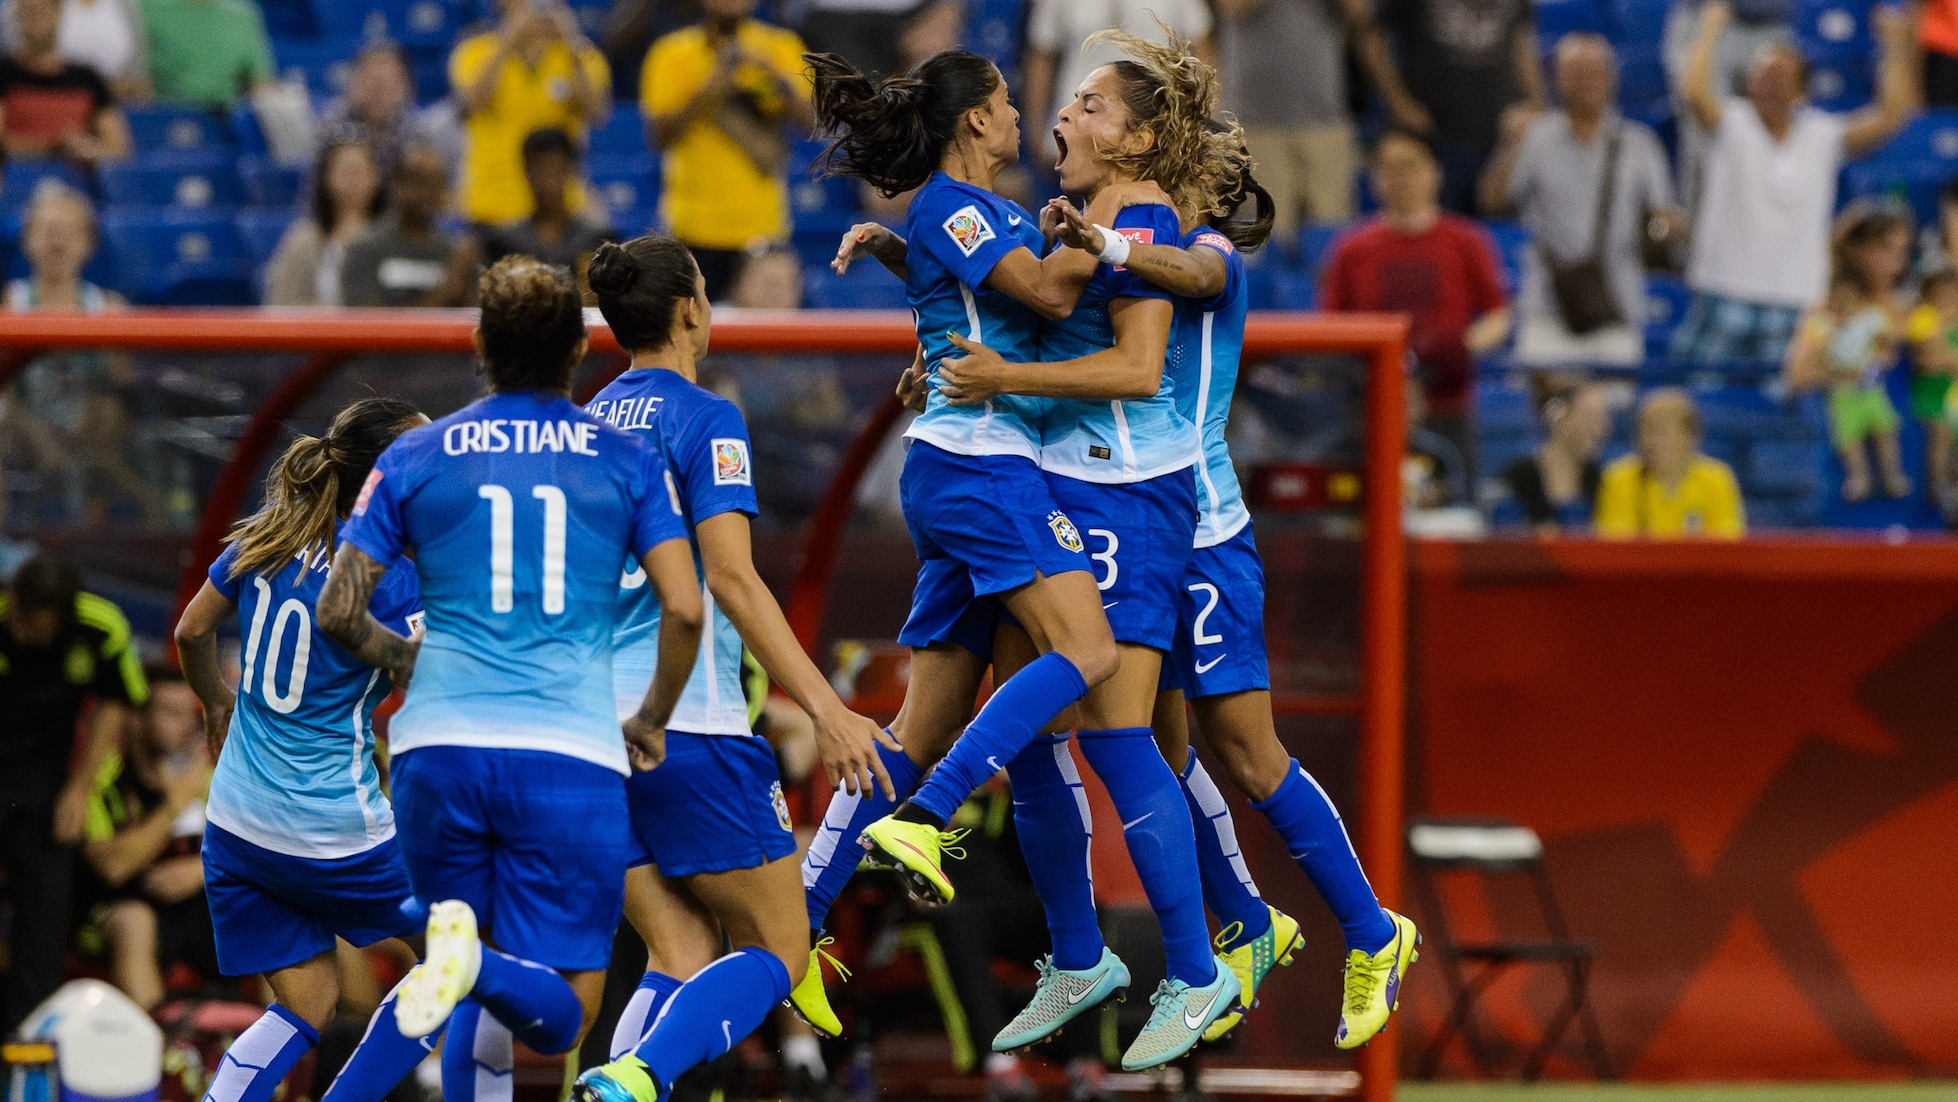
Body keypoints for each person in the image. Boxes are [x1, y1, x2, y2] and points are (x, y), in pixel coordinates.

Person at [839, 33, 1251, 1068]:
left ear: (1136, 138)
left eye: (1086, 107)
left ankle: (1205, 958)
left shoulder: (1139, 220)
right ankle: (1079, 952)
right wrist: (926, 296)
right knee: (1049, 737)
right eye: (1054, 102)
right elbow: (1008, 290)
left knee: (1127, 736)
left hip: (1131, 496)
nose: (1056, 117)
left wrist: (997, 378)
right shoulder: (1073, 217)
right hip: (1051, 484)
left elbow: (1129, 361)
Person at [1044, 124, 1420, 1052]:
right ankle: (1249, 923)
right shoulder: (1137, 242)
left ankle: (1375, 933)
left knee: (1248, 754)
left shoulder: (1199, 250)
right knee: (1152, 748)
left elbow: (1204, 280)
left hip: (1204, 530)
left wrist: (1112, 246)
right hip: (1145, 525)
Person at [797, 46, 1125, 1047]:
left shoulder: (957, 215)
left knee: (915, 729)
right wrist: (1119, 223)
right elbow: (1046, 292)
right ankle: (930, 817)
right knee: (1089, 653)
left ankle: (793, 921)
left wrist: (901, 257)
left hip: (963, 469)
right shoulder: (954, 201)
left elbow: (968, 282)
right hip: (983, 468)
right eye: (1005, 102)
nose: (1021, 114)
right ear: (975, 120)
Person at [317, 257, 703, 1102]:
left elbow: (340, 612)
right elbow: (684, 609)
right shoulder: (627, 458)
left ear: (478, 345)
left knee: (459, 985)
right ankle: (472, 956)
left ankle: (459, 955)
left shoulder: (415, 454)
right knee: (563, 1015)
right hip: (567, 754)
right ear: (577, 346)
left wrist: (415, 661)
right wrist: (650, 717)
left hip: (437, 751)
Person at [567, 234, 899, 1102]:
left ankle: (616, 1087)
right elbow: (732, 579)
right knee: (783, 951)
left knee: (678, 952)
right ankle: (638, 1075)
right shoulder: (705, 416)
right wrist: (826, 707)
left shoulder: (582, 426)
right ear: (690, 310)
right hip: (689, 725)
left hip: (587, 733)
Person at [172, 397, 433, 1102]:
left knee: (305, 1001)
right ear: (383, 477)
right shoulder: (389, 578)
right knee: (459, 961)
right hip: (329, 829)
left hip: (235, 823)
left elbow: (193, 633)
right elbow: (433, 677)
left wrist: (216, 703)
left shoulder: (268, 537)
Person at [1669, 0, 1916, 365]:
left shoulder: (1822, 135)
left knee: (1784, 409)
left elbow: (1891, 117)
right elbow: (1693, 93)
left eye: (1780, 76)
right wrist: (1710, 26)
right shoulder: (1732, 124)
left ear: (1801, 89)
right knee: (1702, 395)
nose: (1768, 83)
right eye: (1762, 75)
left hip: (1795, 296)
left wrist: (1894, 49)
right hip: (1724, 288)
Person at [0, 553, 145, 1036]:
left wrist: (80, 790)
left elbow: (117, 700)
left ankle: (24, 1056)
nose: (22, 632)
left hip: (46, 786)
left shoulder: (99, 627)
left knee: (41, 935)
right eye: (17, 618)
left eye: (34, 626)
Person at [1479, 34, 1683, 365]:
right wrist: (1509, 144)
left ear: (1612, 78)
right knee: (1545, 411)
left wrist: (1663, 228)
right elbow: (1493, 201)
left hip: (1616, 306)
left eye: (1594, 71)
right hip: (1547, 306)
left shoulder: (1640, 145)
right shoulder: (1536, 138)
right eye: (1575, 72)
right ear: (1557, 80)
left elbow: (1662, 219)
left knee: (1613, 413)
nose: (1586, 80)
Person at [1320, 130, 1509, 480]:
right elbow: (1331, 327)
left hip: (1447, 404)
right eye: (1388, 168)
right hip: (1370, 409)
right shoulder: (1352, 248)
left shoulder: (1466, 241)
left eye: (1410, 166)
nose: (1400, 178)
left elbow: (1497, 316)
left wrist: (1458, 347)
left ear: (1434, 172)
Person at [3, 180, 156, 530]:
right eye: (47, 230)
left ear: (88, 244)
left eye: (68, 231)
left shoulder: (110, 309)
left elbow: (128, 390)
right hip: (27, 435)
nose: (57, 241)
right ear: (28, 241)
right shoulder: (12, 305)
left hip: (96, 439)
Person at [641, 0, 814, 301]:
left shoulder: (779, 46)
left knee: (766, 341)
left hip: (762, 228)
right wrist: (707, 92)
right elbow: (657, 136)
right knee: (691, 336)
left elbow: (811, 122)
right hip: (692, 227)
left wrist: (772, 76)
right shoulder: (672, 52)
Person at [1215, 0, 1425, 233]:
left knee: (1332, 233)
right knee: (1265, 234)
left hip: (1325, 121)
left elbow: (1360, 13)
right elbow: (1232, 7)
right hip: (1254, 123)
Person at [76, 669, 214, 1011]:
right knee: (133, 920)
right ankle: (161, 1054)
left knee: (277, 912)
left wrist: (200, 870)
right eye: (171, 713)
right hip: (116, 909)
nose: (187, 725)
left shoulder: (206, 779)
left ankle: (303, 1054)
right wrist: (174, 805)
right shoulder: (101, 780)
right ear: (136, 718)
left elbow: (254, 853)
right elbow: (113, 867)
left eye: (190, 714)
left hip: (194, 911)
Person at [451, 0, 611, 227]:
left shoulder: (582, 54)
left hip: (560, 206)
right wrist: (507, 42)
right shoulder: (475, 50)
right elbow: (472, 104)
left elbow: (596, 112)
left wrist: (572, 43)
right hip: (493, 204)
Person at [1378, 0, 1544, 214]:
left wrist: (1535, 102)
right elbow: (1370, 34)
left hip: (1501, 133)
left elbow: (1521, 40)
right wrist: (1397, 100)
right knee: (1442, 229)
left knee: (1502, 231)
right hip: (1436, 133)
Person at [1020, 0, 1211, 172]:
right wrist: (1036, 136)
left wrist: (1200, 126)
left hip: (1157, 139)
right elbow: (1042, 54)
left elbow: (1203, 47)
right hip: (1071, 142)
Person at [1595, 387, 1745, 538]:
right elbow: (1615, 548)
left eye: (1660, 432)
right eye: (1643, 431)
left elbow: (1726, 546)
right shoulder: (1617, 479)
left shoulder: (1717, 479)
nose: (1649, 441)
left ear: (1690, 436)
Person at [341, 147, 477, 309]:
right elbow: (370, 327)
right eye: (418, 182)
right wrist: (446, 289)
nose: (427, 192)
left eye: (435, 183)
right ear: (396, 185)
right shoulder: (364, 249)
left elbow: (470, 322)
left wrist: (463, 280)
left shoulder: (455, 254)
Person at [476, 128, 617, 282]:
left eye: (556, 168)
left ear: (570, 169)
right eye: (540, 169)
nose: (548, 181)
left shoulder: (596, 240)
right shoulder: (502, 243)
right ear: (526, 170)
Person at [0, 0, 130, 167]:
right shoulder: (5, 74)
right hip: (16, 183)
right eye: (28, 10)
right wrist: (54, 145)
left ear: (59, 13)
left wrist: (90, 150)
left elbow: (118, 148)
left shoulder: (87, 78)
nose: (36, 18)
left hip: (77, 185)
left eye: (43, 10)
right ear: (17, 15)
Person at [264, 136, 386, 308]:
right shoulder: (303, 240)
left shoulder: (391, 239)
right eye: (345, 172)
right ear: (327, 177)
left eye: (359, 172)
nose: (353, 181)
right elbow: (279, 305)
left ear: (376, 178)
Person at [313, 41, 442, 177]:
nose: (378, 95)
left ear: (405, 88)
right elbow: (314, 187)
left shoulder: (418, 131)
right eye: (372, 84)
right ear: (354, 84)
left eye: (387, 86)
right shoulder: (331, 124)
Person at [1499, 376, 1610, 530]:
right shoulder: (1519, 477)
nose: (1599, 430)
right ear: (1558, 417)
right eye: (1590, 418)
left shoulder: (1601, 480)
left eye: (1602, 420)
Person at [138, 0, 274, 109]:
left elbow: (260, 82)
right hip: (163, 113)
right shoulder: (144, 7)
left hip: (225, 116)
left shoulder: (243, 13)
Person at [1, 0, 149, 100]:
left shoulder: (124, 5)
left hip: (115, 104)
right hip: (43, 98)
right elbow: (18, 64)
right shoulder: (32, 5)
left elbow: (139, 78)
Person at [1907, 270, 1958, 512]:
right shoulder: (1925, 319)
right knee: (1940, 437)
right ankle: (1939, 487)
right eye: (1943, 297)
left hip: (1953, 396)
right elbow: (1929, 360)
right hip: (1933, 397)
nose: (1949, 303)